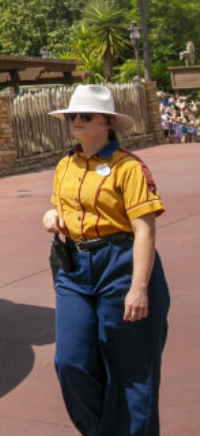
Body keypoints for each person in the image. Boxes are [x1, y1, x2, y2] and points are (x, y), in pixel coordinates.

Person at [41, 84, 169, 436]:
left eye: (86, 116)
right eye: (71, 116)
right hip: (75, 267)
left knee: (131, 369)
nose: (76, 121)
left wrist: (138, 288)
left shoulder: (129, 168)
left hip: (121, 264)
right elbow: (62, 205)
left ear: (107, 122)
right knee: (70, 362)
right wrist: (52, 215)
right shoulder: (66, 163)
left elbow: (145, 231)